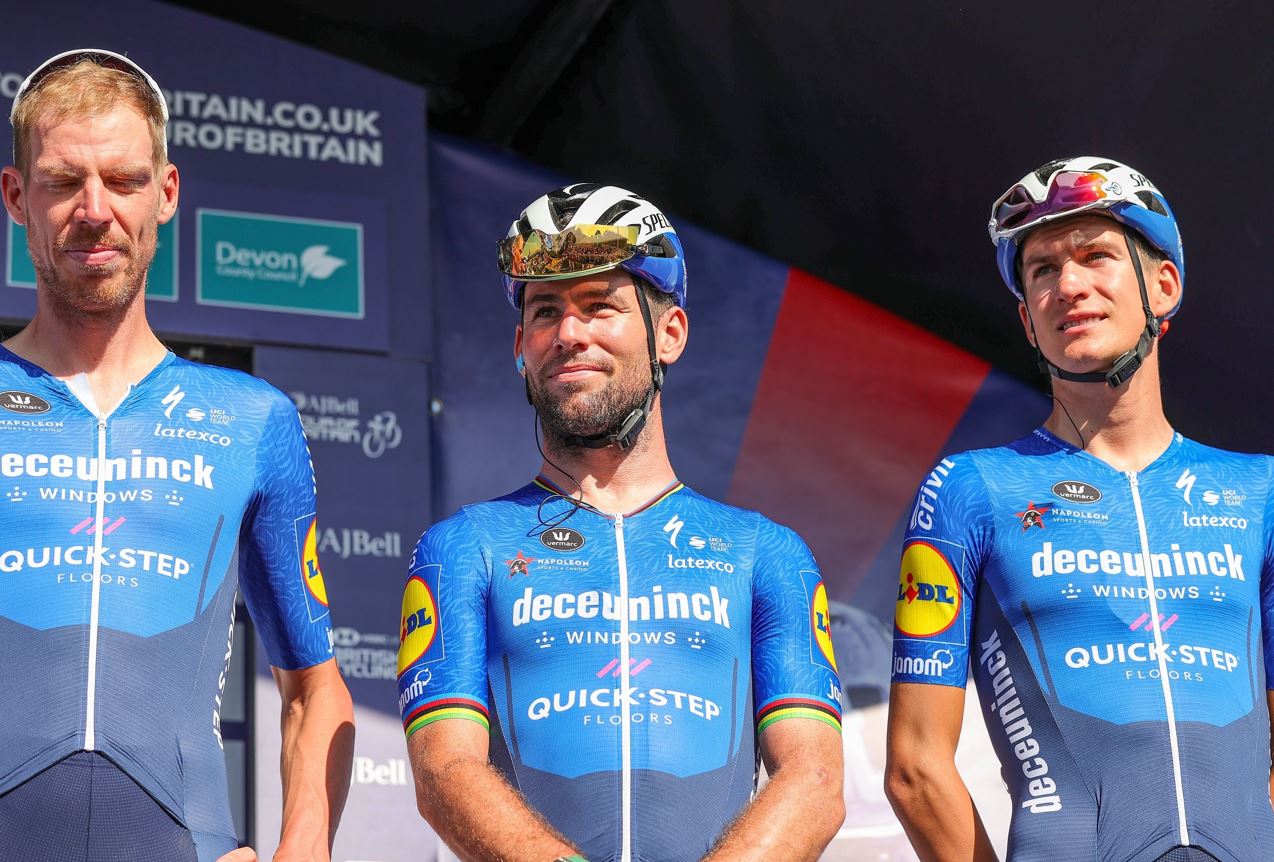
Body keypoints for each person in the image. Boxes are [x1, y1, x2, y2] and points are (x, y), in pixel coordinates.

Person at [397, 184, 845, 861]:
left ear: (670, 333)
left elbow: (813, 779)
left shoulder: (764, 552)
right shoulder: (463, 547)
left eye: (599, 305)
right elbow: (445, 771)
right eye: (546, 312)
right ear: (521, 346)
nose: (569, 334)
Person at [0, 49, 354, 861]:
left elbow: (314, 689)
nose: (94, 211)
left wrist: (302, 851)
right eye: (62, 181)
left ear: (166, 192)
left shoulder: (252, 419)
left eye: (123, 180)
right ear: (16, 196)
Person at [885, 156, 1274, 862]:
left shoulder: (1262, 492)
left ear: (1163, 287)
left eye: (1095, 256)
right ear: (1027, 321)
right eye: (1042, 269)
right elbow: (916, 767)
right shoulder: (969, 490)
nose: (1068, 286)